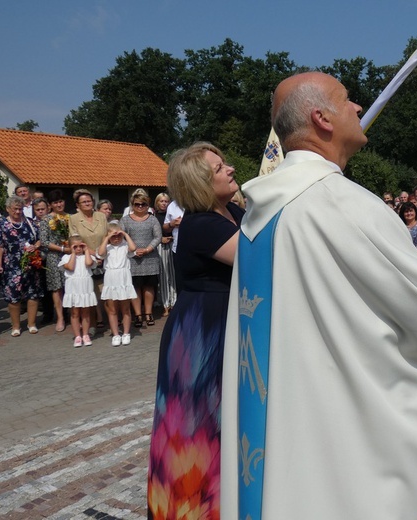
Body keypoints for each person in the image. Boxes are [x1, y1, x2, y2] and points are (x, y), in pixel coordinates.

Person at [220, 72, 417, 520]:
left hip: (286, 422)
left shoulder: (263, 212)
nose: (358, 107)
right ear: (322, 118)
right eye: (347, 100)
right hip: (331, 433)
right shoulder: (340, 204)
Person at [148, 142, 244, 519]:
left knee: (225, 422)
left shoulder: (233, 210)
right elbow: (263, 254)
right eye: (220, 168)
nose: (231, 169)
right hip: (201, 333)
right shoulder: (201, 223)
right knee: (195, 429)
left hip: (225, 321)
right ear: (202, 183)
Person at [0, 195, 44, 336]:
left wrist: (34, 247)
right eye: (15, 209)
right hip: (11, 265)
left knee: (32, 294)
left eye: (20, 209)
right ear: (7, 209)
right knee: (13, 296)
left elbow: (40, 240)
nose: (18, 212)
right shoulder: (2, 224)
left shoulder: (30, 222)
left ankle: (31, 324)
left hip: (31, 264)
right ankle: (16, 326)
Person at [120, 190, 161, 328]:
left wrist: (148, 248)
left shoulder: (152, 219)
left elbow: (157, 237)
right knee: (135, 287)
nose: (140, 207)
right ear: (132, 205)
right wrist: (132, 251)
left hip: (150, 257)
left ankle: (148, 313)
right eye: (137, 204)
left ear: (147, 205)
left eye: (143, 204)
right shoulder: (125, 220)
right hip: (132, 258)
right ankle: (138, 314)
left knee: (149, 286)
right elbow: (120, 238)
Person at [69, 189, 108, 330]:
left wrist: (101, 254)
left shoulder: (101, 216)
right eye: (83, 202)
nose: (87, 203)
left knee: (105, 290)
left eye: (89, 201)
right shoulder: (73, 219)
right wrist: (94, 255)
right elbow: (75, 240)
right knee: (90, 291)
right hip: (85, 259)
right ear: (78, 205)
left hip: (103, 256)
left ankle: (110, 318)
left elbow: (105, 236)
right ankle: (94, 320)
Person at [98, 222, 137, 346]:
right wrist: (107, 238)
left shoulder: (125, 245)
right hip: (111, 277)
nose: (116, 238)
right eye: (113, 237)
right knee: (112, 309)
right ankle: (115, 334)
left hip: (123, 277)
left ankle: (126, 333)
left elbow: (133, 248)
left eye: (118, 236)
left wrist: (124, 234)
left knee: (125, 308)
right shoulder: (107, 247)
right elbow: (100, 253)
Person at [40, 189, 71, 332]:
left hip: (70, 256)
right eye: (55, 202)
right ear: (51, 205)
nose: (59, 204)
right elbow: (44, 242)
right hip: (54, 257)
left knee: (71, 286)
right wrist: (62, 249)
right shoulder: (46, 220)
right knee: (57, 288)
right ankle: (60, 317)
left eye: (61, 201)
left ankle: (73, 314)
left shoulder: (70, 218)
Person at [59, 235, 97, 347]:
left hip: (85, 286)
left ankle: (85, 334)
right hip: (73, 286)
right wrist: (73, 254)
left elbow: (89, 264)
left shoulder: (88, 256)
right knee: (75, 312)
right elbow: (70, 267)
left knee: (86, 312)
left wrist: (86, 251)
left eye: (81, 246)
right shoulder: (66, 258)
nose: (78, 248)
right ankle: (77, 336)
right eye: (75, 246)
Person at [153, 193, 177, 317]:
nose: (164, 203)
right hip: (160, 246)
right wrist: (160, 238)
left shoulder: (172, 214)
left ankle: (174, 302)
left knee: (173, 276)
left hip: (173, 244)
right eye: (161, 201)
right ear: (157, 203)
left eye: (166, 201)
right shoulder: (154, 216)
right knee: (163, 276)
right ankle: (165, 304)